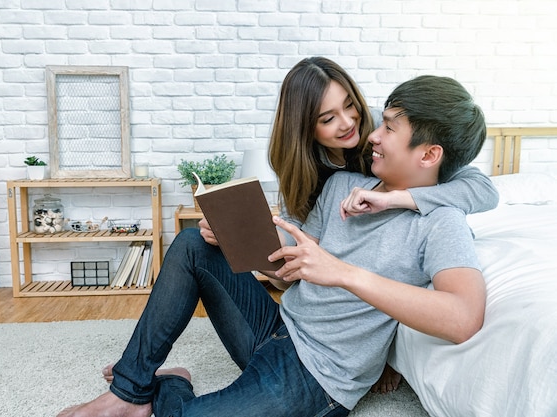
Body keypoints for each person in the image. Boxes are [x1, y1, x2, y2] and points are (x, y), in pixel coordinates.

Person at [57, 74, 488, 417]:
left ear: (429, 155)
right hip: (278, 327)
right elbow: (296, 263)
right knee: (193, 244)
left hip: (318, 376)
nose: (371, 133)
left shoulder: (442, 221)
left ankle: (172, 382)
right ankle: (129, 390)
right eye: (381, 122)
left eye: (389, 127)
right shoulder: (343, 182)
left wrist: (344, 272)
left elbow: (463, 317)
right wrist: (245, 238)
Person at [204, 57, 497, 394]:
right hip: (301, 318)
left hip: (336, 350)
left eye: (350, 107)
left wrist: (397, 198)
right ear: (305, 129)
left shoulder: (382, 128)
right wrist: (237, 236)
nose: (351, 125)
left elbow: (482, 189)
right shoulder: (326, 178)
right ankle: (130, 391)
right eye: (328, 119)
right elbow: (298, 253)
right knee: (195, 245)